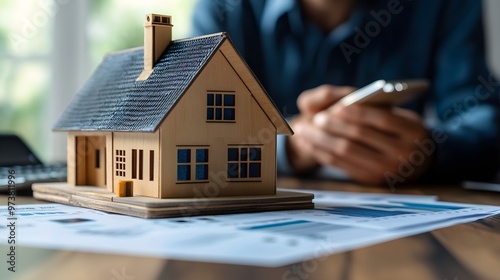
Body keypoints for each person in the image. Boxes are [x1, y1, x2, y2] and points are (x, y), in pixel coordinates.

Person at [191, 0, 500, 187]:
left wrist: (429, 152)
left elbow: (485, 120)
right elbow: (192, 132)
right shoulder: (221, 9)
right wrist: (288, 147)